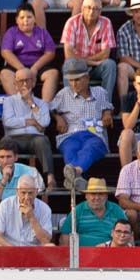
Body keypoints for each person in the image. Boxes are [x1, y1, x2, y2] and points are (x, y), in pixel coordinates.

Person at [51, 57, 112, 192]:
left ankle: (75, 173)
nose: (74, 84)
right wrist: (57, 117)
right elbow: (50, 108)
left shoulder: (100, 92)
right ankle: (77, 177)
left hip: (93, 134)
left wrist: (107, 113)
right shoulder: (63, 94)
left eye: (77, 80)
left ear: (87, 78)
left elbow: (107, 107)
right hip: (70, 134)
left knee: (90, 148)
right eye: (71, 80)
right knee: (69, 149)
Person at [0, 136, 45, 244]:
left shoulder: (27, 171)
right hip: (0, 210)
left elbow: (30, 198)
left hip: (20, 208)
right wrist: (4, 180)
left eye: (9, 157)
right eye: (2, 157)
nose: (5, 161)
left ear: (16, 157)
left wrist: (3, 206)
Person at [0, 68, 54, 186]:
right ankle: (4, 177)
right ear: (15, 84)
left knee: (43, 141)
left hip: (34, 138)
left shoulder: (41, 103)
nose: (24, 84)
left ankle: (50, 178)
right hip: (14, 137)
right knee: (5, 142)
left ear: (33, 82)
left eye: (27, 80)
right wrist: (32, 122)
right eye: (21, 81)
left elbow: (45, 122)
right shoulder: (9, 101)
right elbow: (8, 122)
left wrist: (31, 102)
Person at [0, 2, 59, 104]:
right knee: (5, 74)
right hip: (17, 65)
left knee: (53, 74)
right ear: (16, 20)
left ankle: (45, 108)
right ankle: (20, 105)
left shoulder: (42, 32)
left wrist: (34, 69)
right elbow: (6, 52)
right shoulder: (12, 32)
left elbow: (50, 53)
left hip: (38, 66)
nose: (26, 21)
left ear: (35, 19)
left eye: (29, 17)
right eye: (22, 17)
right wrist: (22, 69)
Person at [60, 0, 116, 101]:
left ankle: (105, 105)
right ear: (82, 9)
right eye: (89, 8)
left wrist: (85, 61)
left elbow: (105, 54)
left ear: (100, 11)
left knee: (110, 64)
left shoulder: (106, 23)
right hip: (77, 67)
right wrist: (91, 62)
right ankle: (70, 105)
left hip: (97, 68)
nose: (92, 11)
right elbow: (69, 54)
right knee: (68, 64)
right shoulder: (71, 23)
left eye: (96, 9)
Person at [0, 174, 55, 246]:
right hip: (10, 248)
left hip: (34, 250)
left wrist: (31, 217)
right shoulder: (5, 205)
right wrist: (14, 250)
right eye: (23, 193)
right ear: (17, 191)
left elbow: (46, 240)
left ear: (36, 192)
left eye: (30, 193)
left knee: (50, 246)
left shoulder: (45, 209)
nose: (26, 197)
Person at [69, 176, 125, 246]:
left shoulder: (116, 209)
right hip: (82, 254)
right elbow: (65, 236)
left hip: (109, 253)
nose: (97, 198)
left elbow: (127, 233)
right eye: (93, 194)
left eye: (101, 194)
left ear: (106, 196)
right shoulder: (77, 210)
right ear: (86, 196)